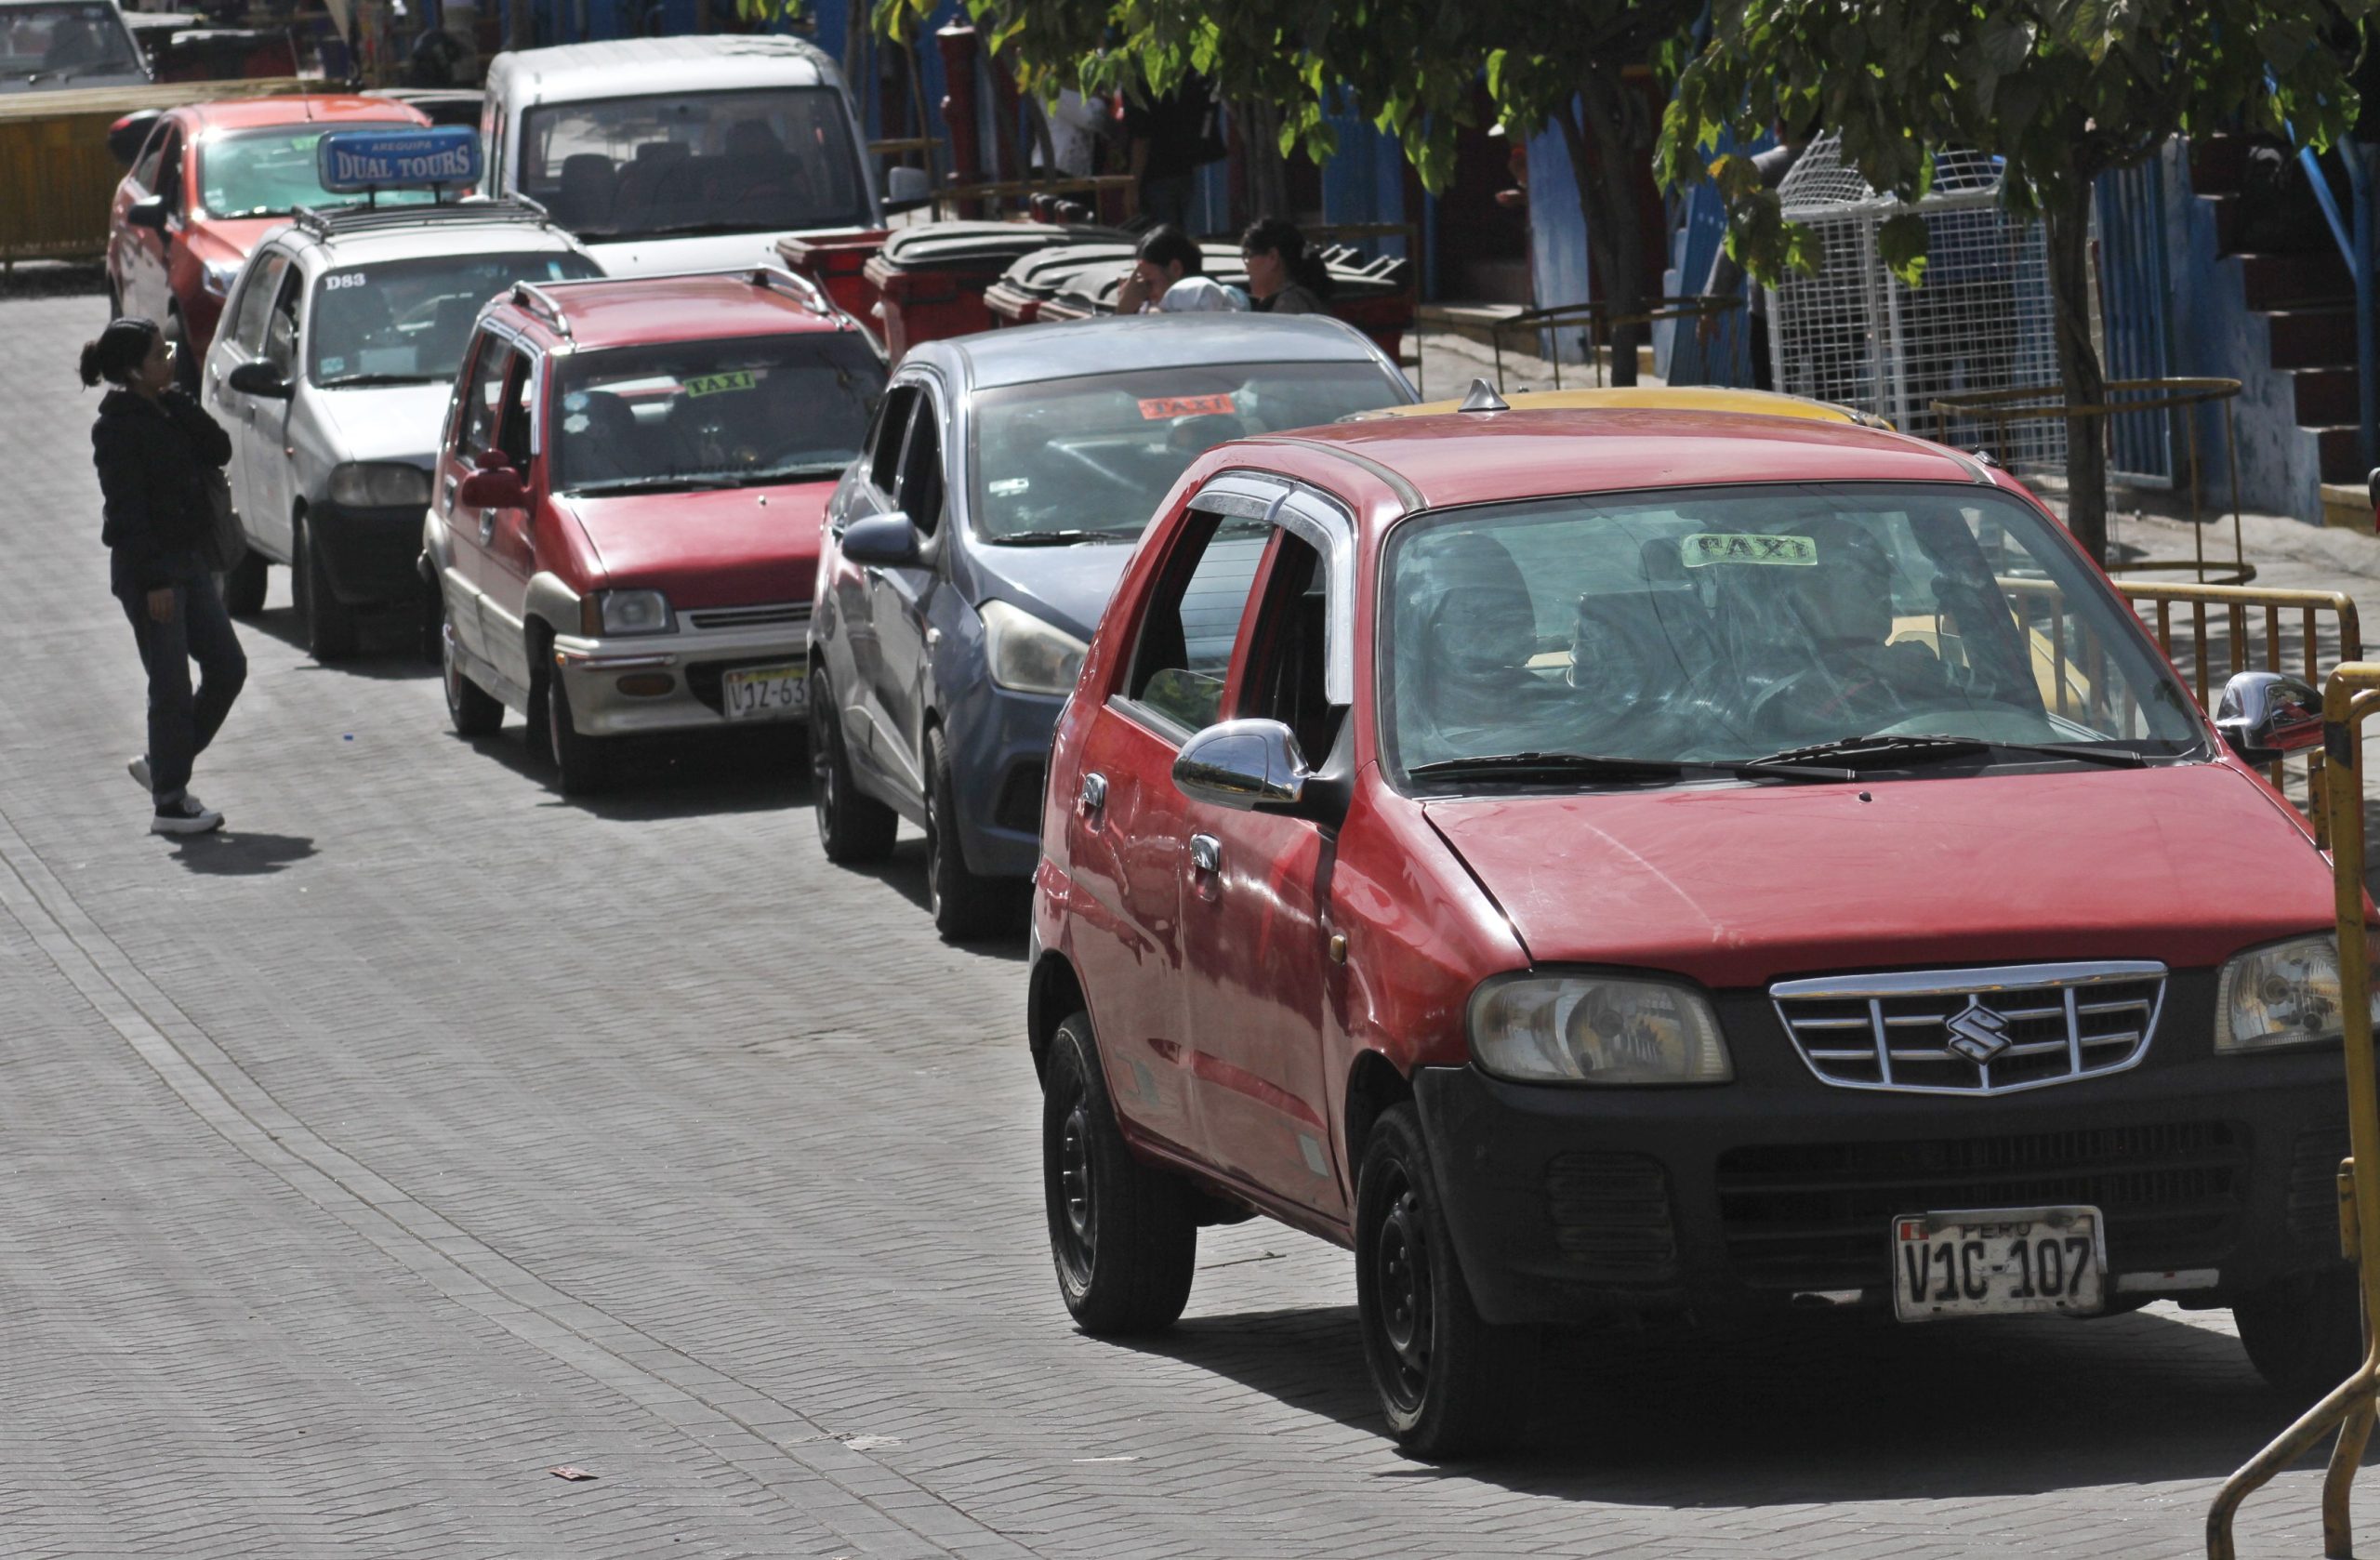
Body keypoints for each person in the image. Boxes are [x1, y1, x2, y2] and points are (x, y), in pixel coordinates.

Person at [83, 318, 245, 837]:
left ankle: (162, 765)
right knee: (171, 685)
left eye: (168, 348)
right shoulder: (116, 428)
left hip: (189, 562)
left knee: (227, 667)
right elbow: (126, 512)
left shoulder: (172, 408)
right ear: (133, 370)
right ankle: (170, 803)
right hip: (150, 573)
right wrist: (154, 581)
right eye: (159, 354)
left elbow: (219, 449)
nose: (170, 358)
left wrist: (182, 404)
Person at [1120, 75, 1220, 231]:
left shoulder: (1137, 79)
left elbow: (1142, 138)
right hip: (1186, 170)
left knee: (1162, 240)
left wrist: (1131, 188)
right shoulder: (1182, 73)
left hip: (1155, 175)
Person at [1115, 225, 1246, 314]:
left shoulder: (1206, 296)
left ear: (1175, 268)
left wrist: (1124, 311)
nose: (1145, 292)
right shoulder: (1148, 308)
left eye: (1149, 282)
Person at [1238, 217, 1333, 314]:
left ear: (1272, 257)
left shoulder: (1289, 304)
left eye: (1248, 256)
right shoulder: (1301, 298)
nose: (1246, 269)